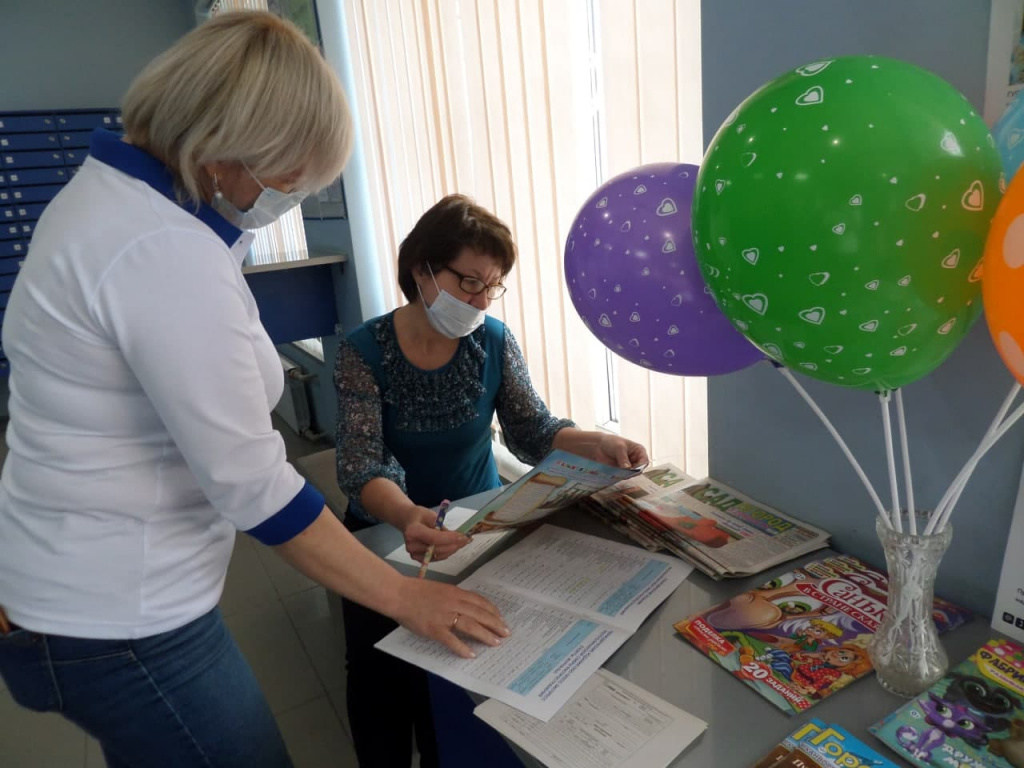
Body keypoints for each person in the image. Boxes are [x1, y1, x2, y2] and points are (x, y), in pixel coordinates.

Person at [0, 13, 507, 768]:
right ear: (221, 146)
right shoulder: (158, 249)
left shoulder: (131, 207)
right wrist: (404, 597)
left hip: (80, 579)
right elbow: (258, 484)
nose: (292, 194)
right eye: (288, 173)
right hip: (117, 609)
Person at [335, 193, 649, 767]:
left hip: (474, 531)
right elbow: (362, 465)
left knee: (455, 680)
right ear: (421, 269)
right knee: (381, 680)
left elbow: (532, 431)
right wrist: (408, 516)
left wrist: (594, 441)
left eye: (493, 285)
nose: (480, 299)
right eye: (468, 282)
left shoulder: (493, 341)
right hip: (385, 535)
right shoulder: (363, 351)